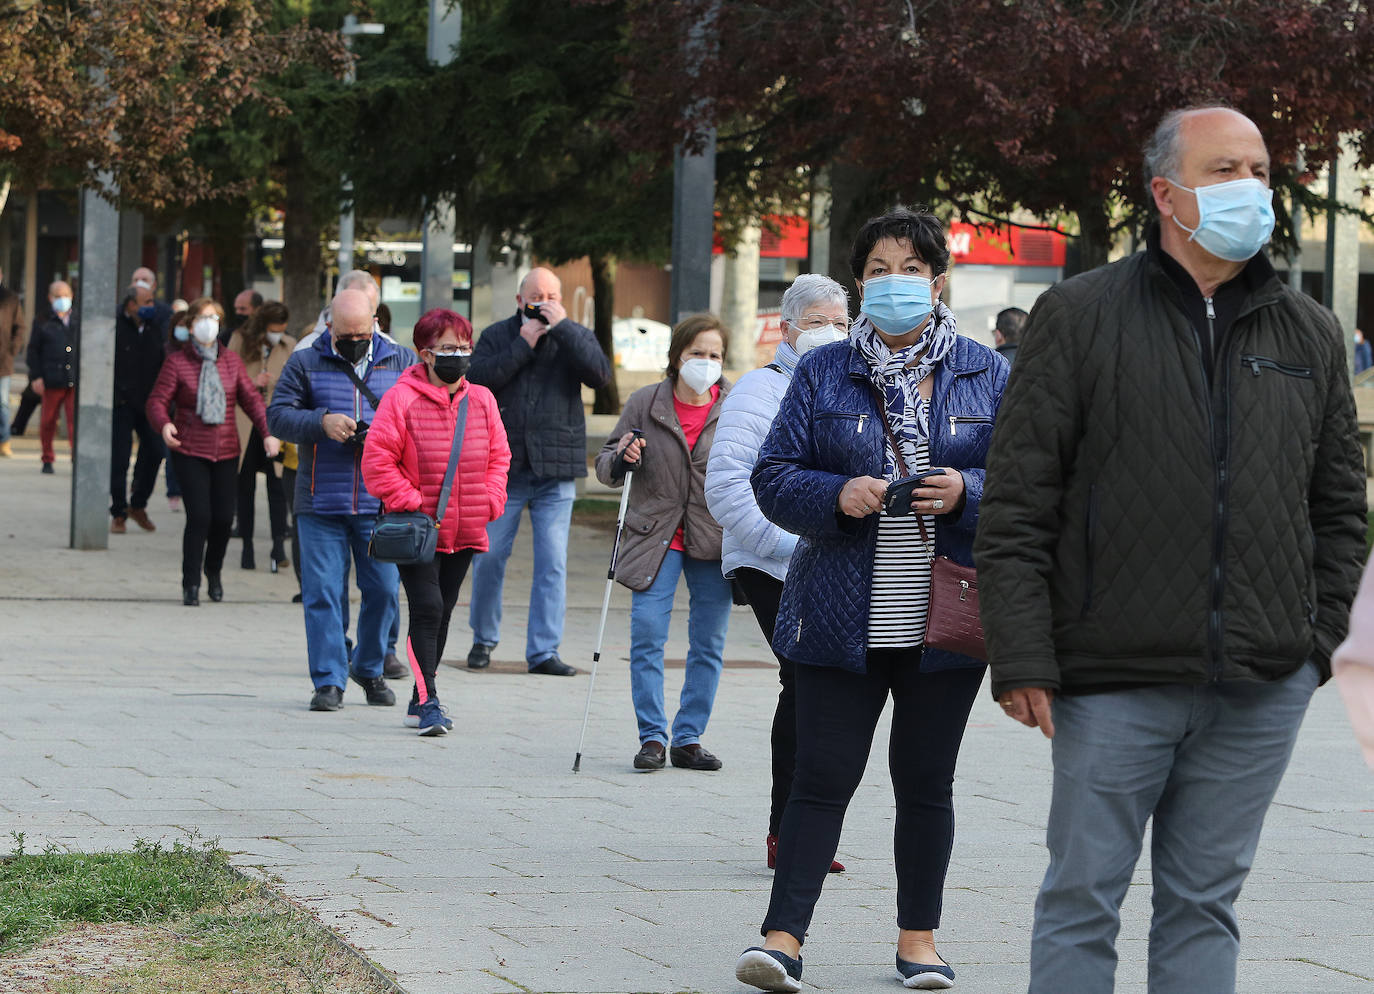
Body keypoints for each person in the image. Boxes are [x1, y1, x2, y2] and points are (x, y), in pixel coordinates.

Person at [975, 107, 1367, 994]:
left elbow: (1341, 508)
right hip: (1113, 678)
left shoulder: (1306, 330)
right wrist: (1023, 654)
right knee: (1082, 898)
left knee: (1205, 903)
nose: (1252, 189)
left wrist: (1312, 649)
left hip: (1259, 687)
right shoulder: (1077, 315)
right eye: (1225, 170)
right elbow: (1019, 503)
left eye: (1261, 171)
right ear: (1167, 193)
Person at [736, 206, 1008, 994]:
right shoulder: (823, 371)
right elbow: (771, 477)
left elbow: (1037, 488)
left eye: (913, 269)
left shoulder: (985, 371)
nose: (896, 284)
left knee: (927, 787)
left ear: (938, 279)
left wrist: (967, 491)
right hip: (836, 618)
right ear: (859, 283)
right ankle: (781, 941)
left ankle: (918, 943)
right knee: (820, 781)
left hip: (944, 624)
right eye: (880, 270)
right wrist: (836, 495)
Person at [704, 273, 850, 870]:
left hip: (834, 560)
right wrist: (788, 545)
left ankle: (803, 827)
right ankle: (788, 832)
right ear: (787, 329)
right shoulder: (759, 392)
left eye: (841, 323)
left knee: (824, 688)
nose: (831, 333)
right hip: (771, 562)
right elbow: (726, 486)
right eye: (818, 322)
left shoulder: (850, 385)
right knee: (804, 682)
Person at [361, 309, 511, 735]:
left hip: (466, 526)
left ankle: (419, 695)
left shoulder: (481, 399)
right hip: (417, 529)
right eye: (448, 347)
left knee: (443, 611)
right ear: (424, 353)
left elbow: (500, 457)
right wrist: (412, 503)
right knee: (426, 608)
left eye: (464, 347)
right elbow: (377, 462)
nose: (458, 355)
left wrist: (490, 500)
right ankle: (429, 702)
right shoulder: (401, 398)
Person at [594, 313, 734, 771]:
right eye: (697, 353)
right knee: (648, 636)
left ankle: (689, 737)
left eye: (714, 355)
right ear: (676, 357)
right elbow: (605, 464)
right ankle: (652, 736)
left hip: (712, 537)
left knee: (708, 642)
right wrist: (622, 456)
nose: (706, 362)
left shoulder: (734, 403)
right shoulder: (645, 402)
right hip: (655, 536)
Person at [268, 287, 417, 712]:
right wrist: (321, 422)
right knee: (322, 592)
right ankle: (329, 680)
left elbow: (419, 419)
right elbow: (277, 416)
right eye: (343, 332)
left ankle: (368, 667)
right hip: (320, 500)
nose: (353, 339)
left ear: (376, 322)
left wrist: (382, 435)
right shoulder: (305, 360)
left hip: (380, 501)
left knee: (384, 591)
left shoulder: (401, 360)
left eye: (361, 332)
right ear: (328, 325)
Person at [466, 267, 613, 676]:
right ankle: (483, 637)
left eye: (551, 295)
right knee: (490, 556)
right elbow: (476, 381)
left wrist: (562, 327)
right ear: (519, 301)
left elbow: (600, 375)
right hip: (504, 468)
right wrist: (521, 345)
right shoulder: (498, 335)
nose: (543, 302)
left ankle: (544, 650)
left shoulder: (574, 334)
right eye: (535, 296)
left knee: (552, 562)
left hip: (555, 469)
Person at [146, 298, 280, 605]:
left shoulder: (231, 361)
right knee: (200, 517)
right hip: (190, 448)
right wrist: (165, 424)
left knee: (222, 518)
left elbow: (251, 400)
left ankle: (213, 571)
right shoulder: (177, 362)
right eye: (204, 317)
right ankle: (190, 582)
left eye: (215, 318)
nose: (210, 323)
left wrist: (268, 433)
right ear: (191, 325)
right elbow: (156, 401)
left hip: (227, 449)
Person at [228, 301, 294, 571]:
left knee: (277, 488)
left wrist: (275, 381)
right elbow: (228, 375)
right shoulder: (240, 340)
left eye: (281, 329)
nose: (277, 334)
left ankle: (278, 547)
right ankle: (247, 546)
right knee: (245, 487)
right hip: (246, 423)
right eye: (273, 329)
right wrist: (251, 382)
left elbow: (295, 382)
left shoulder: (288, 345)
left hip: (275, 424)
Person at [110, 284, 167, 534]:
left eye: (152, 302)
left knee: (155, 451)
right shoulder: (115, 328)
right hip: (122, 404)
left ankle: (138, 504)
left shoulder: (155, 329)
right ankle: (119, 511)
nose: (150, 307)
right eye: (146, 302)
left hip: (149, 403)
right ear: (131, 305)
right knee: (120, 460)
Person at [29, 281, 78, 474]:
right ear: (50, 298)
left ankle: (76, 457)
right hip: (51, 379)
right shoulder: (42, 320)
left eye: (65, 295)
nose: (62, 300)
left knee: (75, 421)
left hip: (74, 379)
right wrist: (36, 376)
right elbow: (33, 351)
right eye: (58, 296)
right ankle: (47, 458)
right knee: (48, 421)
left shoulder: (78, 319)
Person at [0, 265, 26, 458]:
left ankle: (4, 440)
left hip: (3, 361)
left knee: (2, 403)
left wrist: (12, 351)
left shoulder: (10, 299)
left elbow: (20, 328)